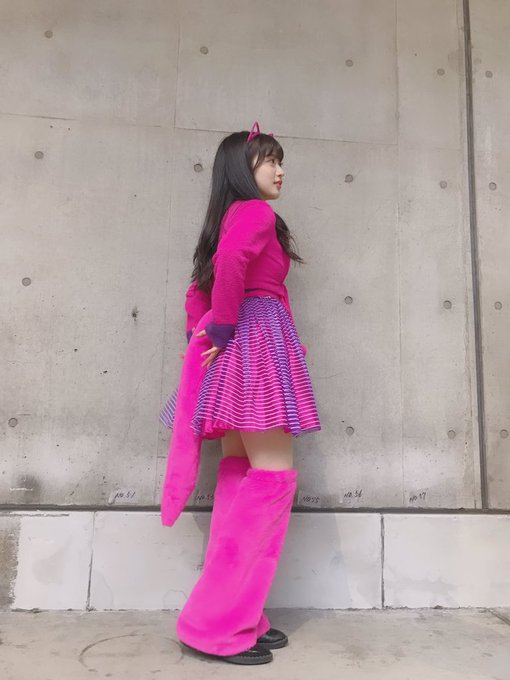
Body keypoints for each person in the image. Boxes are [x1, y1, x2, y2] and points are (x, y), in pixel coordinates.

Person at [160, 121, 321, 665]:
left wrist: (206, 335)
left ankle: (242, 614)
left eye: (280, 160)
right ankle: (216, 623)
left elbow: (199, 287)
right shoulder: (255, 213)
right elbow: (229, 267)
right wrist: (226, 328)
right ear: (242, 169)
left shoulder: (228, 217)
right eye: (269, 160)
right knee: (272, 481)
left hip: (238, 351)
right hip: (254, 344)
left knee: (240, 477)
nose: (280, 170)